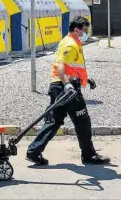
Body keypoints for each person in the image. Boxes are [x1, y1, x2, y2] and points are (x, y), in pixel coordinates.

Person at [26, 16, 110, 165]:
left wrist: (86, 79)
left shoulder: (67, 41)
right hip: (67, 89)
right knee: (83, 121)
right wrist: (68, 84)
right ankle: (89, 155)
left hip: (58, 87)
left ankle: (34, 151)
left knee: (54, 121)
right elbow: (60, 67)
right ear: (77, 29)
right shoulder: (71, 44)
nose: (86, 32)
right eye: (85, 29)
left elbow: (72, 68)